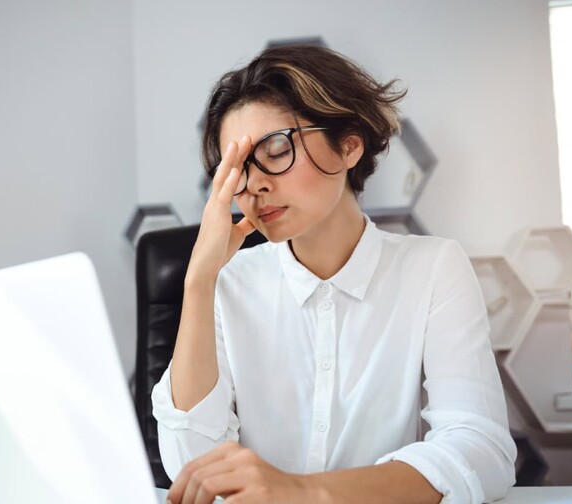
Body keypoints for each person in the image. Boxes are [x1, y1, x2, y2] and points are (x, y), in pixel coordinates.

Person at [151, 45, 516, 504]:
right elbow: (191, 467)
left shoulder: (434, 267)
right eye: (237, 168)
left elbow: (481, 451)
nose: (256, 184)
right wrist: (198, 281)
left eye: (277, 149)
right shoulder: (228, 282)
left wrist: (305, 493)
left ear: (348, 145)